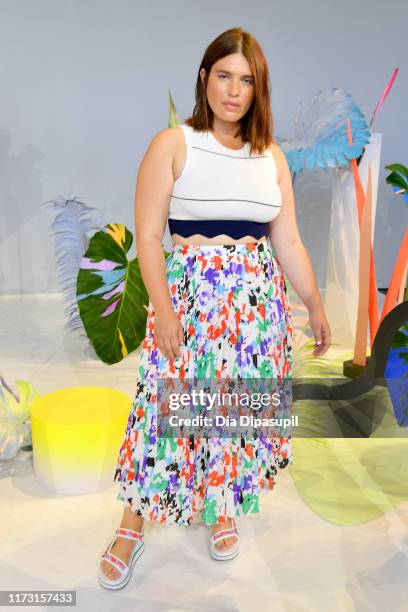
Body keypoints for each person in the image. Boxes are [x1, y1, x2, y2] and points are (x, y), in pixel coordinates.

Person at [98, 26, 331, 589]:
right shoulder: (174, 144)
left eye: (246, 80)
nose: (233, 91)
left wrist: (315, 306)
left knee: (234, 411)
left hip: (255, 311)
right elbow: (149, 238)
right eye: (223, 76)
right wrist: (164, 311)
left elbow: (289, 241)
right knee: (168, 414)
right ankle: (132, 526)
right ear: (205, 78)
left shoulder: (269, 155)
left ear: (258, 90)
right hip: (190, 302)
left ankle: (220, 505)